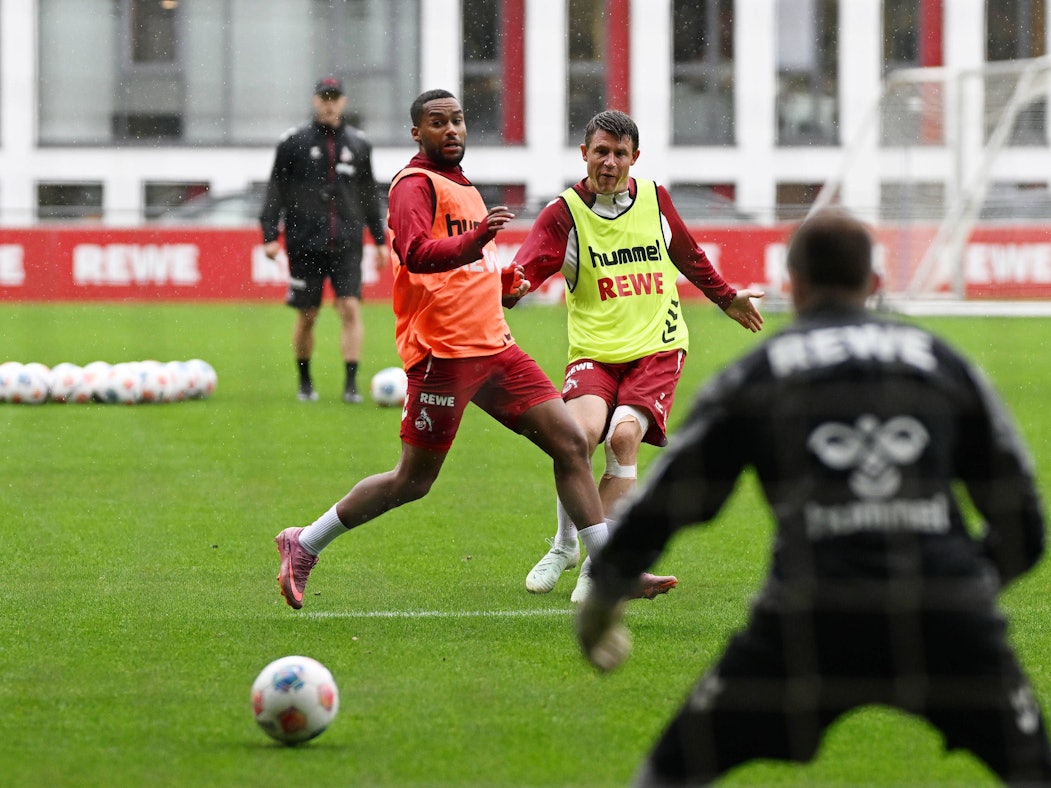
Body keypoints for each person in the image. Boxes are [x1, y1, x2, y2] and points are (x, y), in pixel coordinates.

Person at [577, 208, 1051, 785]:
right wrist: (957, 587)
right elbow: (1024, 525)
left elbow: (664, 505)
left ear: (792, 288)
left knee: (669, 773)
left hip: (806, 623)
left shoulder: (758, 374)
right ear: (874, 287)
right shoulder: (946, 365)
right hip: (947, 620)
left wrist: (600, 613)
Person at [273, 89, 675, 610]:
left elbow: (471, 266)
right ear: (417, 133)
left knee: (572, 443)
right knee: (412, 481)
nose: (452, 130)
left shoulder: (463, 186)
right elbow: (417, 254)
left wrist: (506, 277)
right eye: (437, 123)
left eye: (458, 120)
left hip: (496, 347)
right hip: (444, 355)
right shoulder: (413, 185)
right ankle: (304, 542)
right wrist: (477, 240)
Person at [508, 109, 764, 603]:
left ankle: (594, 568)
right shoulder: (564, 213)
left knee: (623, 437)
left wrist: (725, 296)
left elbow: (687, 254)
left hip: (657, 349)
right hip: (594, 354)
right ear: (584, 154)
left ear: (635, 158)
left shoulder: (654, 199)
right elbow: (526, 269)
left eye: (619, 153)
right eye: (600, 151)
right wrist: (508, 288)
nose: (609, 162)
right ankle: (565, 546)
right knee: (577, 437)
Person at [260, 76, 390, 403]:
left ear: (343, 101)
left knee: (349, 308)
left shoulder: (359, 144)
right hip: (305, 243)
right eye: (324, 97)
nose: (329, 103)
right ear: (316, 100)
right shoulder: (293, 143)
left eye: (334, 97)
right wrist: (269, 235)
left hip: (347, 242)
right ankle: (305, 381)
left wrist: (379, 239)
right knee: (308, 314)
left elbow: (368, 195)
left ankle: (350, 385)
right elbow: (276, 189)